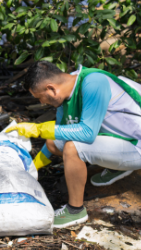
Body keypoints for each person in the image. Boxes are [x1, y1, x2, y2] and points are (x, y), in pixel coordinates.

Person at [12, 61, 141, 229]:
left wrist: (39, 129)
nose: (42, 102)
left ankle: (75, 211)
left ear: (51, 89)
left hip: (136, 144)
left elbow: (87, 133)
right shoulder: (67, 93)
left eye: (39, 97)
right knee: (53, 143)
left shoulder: (94, 83)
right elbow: (58, 133)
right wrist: (33, 167)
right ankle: (117, 165)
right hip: (119, 139)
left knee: (73, 147)